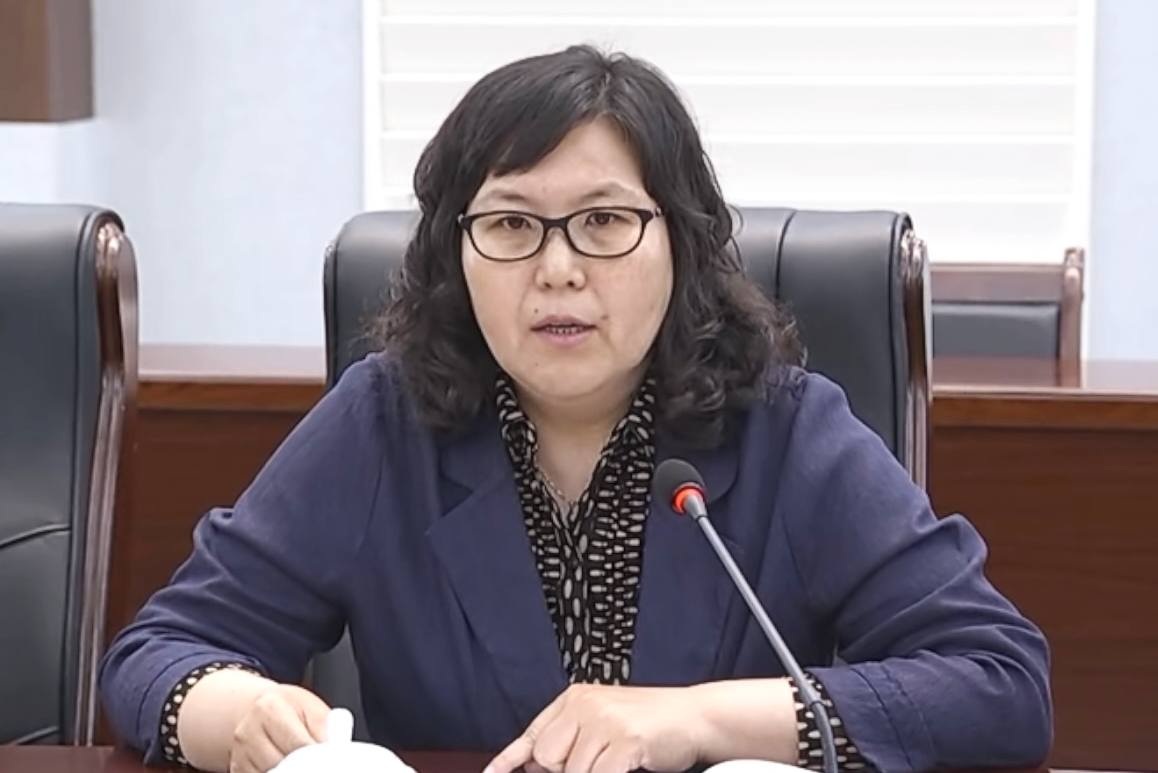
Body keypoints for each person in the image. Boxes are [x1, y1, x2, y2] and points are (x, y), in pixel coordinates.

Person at [99, 45, 1052, 773]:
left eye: (603, 221)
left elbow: (1000, 682)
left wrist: (697, 717)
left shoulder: (787, 428)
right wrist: (233, 709)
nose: (557, 269)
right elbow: (159, 652)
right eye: (512, 224)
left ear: (679, 240)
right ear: (457, 252)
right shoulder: (384, 422)